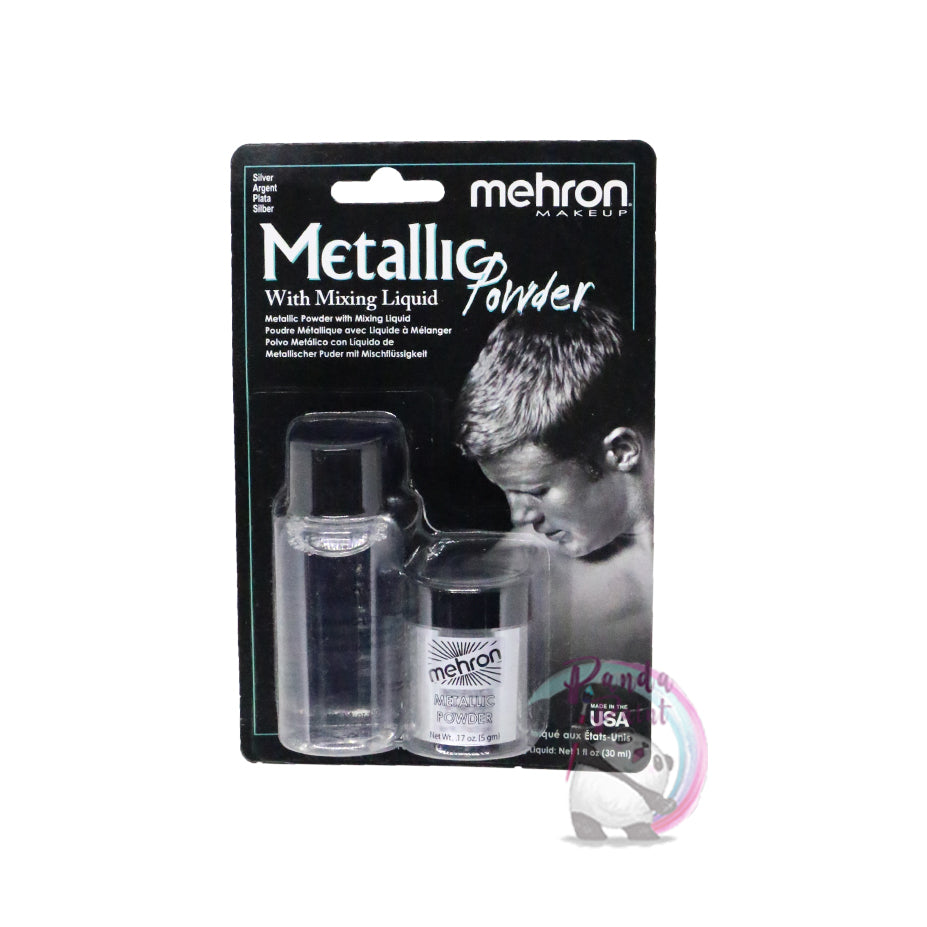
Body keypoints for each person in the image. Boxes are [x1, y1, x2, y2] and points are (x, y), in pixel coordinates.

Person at [454, 304, 653, 668]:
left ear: (622, 452)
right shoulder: (512, 578)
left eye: (536, 491)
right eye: (507, 492)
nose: (519, 516)